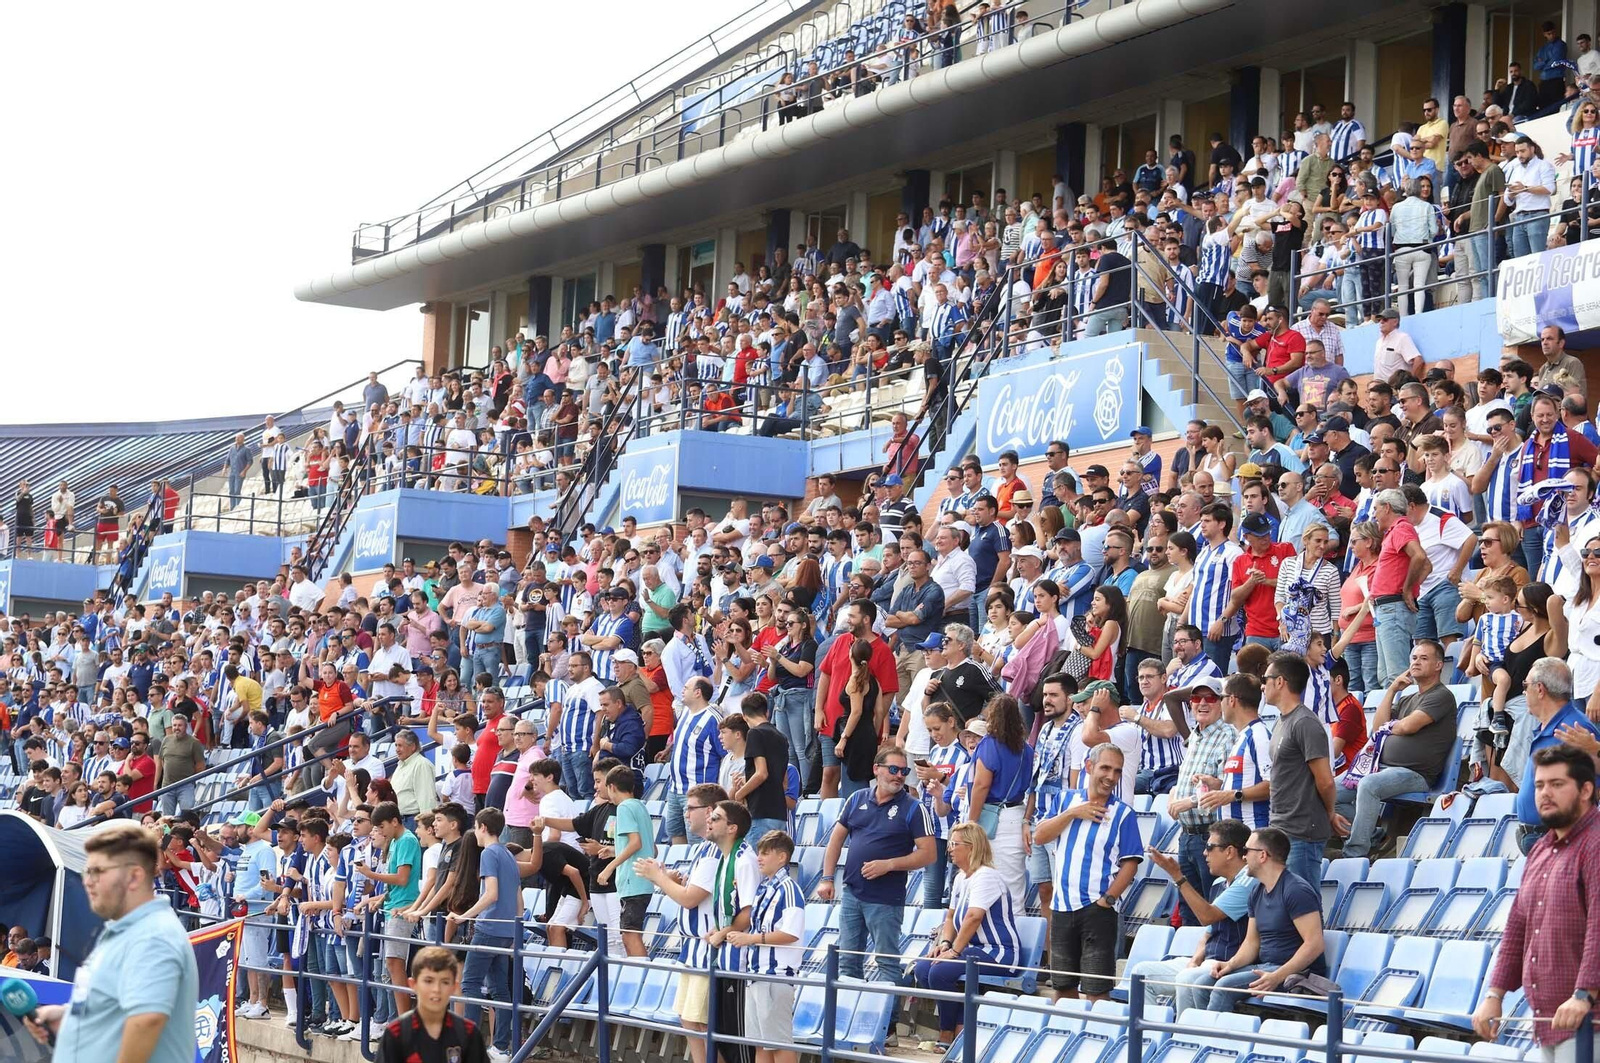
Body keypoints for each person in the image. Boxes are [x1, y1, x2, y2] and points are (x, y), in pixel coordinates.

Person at [27, 823, 199, 1063]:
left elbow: (146, 1021)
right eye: (87, 871)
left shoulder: (153, 936)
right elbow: (116, 1009)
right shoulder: (128, 931)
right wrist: (69, 1017)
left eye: (98, 871)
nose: (87, 881)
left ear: (134, 876)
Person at [1473, 745, 1600, 1063]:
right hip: (1549, 1022)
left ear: (1586, 790)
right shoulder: (1542, 848)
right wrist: (1495, 993)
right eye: (1540, 785)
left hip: (1590, 1024)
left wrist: (1584, 994)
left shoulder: (1596, 844)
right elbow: (1517, 927)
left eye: (1557, 784)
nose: (1545, 793)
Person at [1032, 742, 1143, 1001]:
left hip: (1098, 910)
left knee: (1097, 990)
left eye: (1117, 771)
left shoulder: (1123, 813)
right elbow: (1040, 836)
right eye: (1105, 768)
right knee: (1062, 987)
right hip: (1061, 906)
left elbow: (1130, 863)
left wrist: (1108, 900)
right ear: (1089, 766)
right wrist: (1072, 814)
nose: (1111, 776)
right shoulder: (1064, 800)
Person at [816, 746, 935, 981]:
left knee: (886, 962)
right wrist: (827, 878)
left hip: (886, 899)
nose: (899, 776)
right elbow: (835, 841)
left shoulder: (914, 807)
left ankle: (890, 1007)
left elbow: (929, 854)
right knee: (847, 960)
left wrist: (889, 864)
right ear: (876, 769)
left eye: (904, 771)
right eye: (893, 769)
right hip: (852, 893)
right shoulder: (856, 798)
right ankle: (851, 1003)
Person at [1333, 640, 1458, 857]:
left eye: (1424, 658)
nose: (1416, 662)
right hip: (1381, 767)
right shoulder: (1407, 698)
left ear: (1439, 665)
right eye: (1414, 658)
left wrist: (1390, 726)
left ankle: (1354, 853)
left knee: (1369, 784)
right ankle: (1371, 835)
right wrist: (1391, 690)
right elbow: (1377, 727)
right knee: (1328, 792)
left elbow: (1408, 726)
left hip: (1416, 773)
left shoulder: (1441, 695)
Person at [912, 821, 1022, 1052]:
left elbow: (973, 917)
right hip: (971, 950)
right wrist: (945, 944)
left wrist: (954, 951)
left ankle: (947, 1033)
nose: (949, 849)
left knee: (940, 971)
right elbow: (951, 917)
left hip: (998, 952)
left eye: (955, 844)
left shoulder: (986, 876)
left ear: (972, 847)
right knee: (923, 968)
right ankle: (959, 1025)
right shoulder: (961, 877)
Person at [1129, 818, 1256, 1014]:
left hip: (1230, 964)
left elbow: (1207, 916)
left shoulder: (1248, 882)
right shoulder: (1219, 883)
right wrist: (1195, 959)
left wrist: (1178, 876)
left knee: (1186, 979)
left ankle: (1185, 1033)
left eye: (1210, 847)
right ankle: (1150, 1033)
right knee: (1141, 973)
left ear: (1230, 851)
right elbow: (1207, 933)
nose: (1205, 853)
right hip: (1208, 961)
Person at [1203, 826, 1326, 1013]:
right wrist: (1230, 964)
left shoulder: (1296, 890)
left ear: (1262, 855)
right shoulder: (1256, 891)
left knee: (1224, 988)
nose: (1243, 856)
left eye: (1246, 850)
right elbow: (1251, 943)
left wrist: (1277, 976)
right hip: (1265, 966)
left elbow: (1315, 944)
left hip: (1297, 973)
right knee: (1202, 983)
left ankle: (1212, 1032)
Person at [724, 829, 806, 1063]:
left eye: (765, 853)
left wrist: (751, 939)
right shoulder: (765, 888)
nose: (759, 858)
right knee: (761, 1046)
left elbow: (791, 932)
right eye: (759, 852)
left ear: (782, 857)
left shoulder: (789, 889)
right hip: (758, 975)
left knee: (778, 1045)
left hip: (775, 976)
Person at [1261, 652, 1335, 890]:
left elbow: (1325, 781)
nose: (1262, 685)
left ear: (1280, 682)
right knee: (1285, 902)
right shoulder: (1282, 721)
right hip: (1281, 828)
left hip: (1301, 832)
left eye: (1265, 679)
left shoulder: (1305, 723)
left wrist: (1329, 813)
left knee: (1304, 902)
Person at [377, 946, 491, 1063]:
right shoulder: (396, 1034)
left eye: (445, 982)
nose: (436, 989)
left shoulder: (469, 1033)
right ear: (413, 985)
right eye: (428, 981)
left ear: (454, 987)